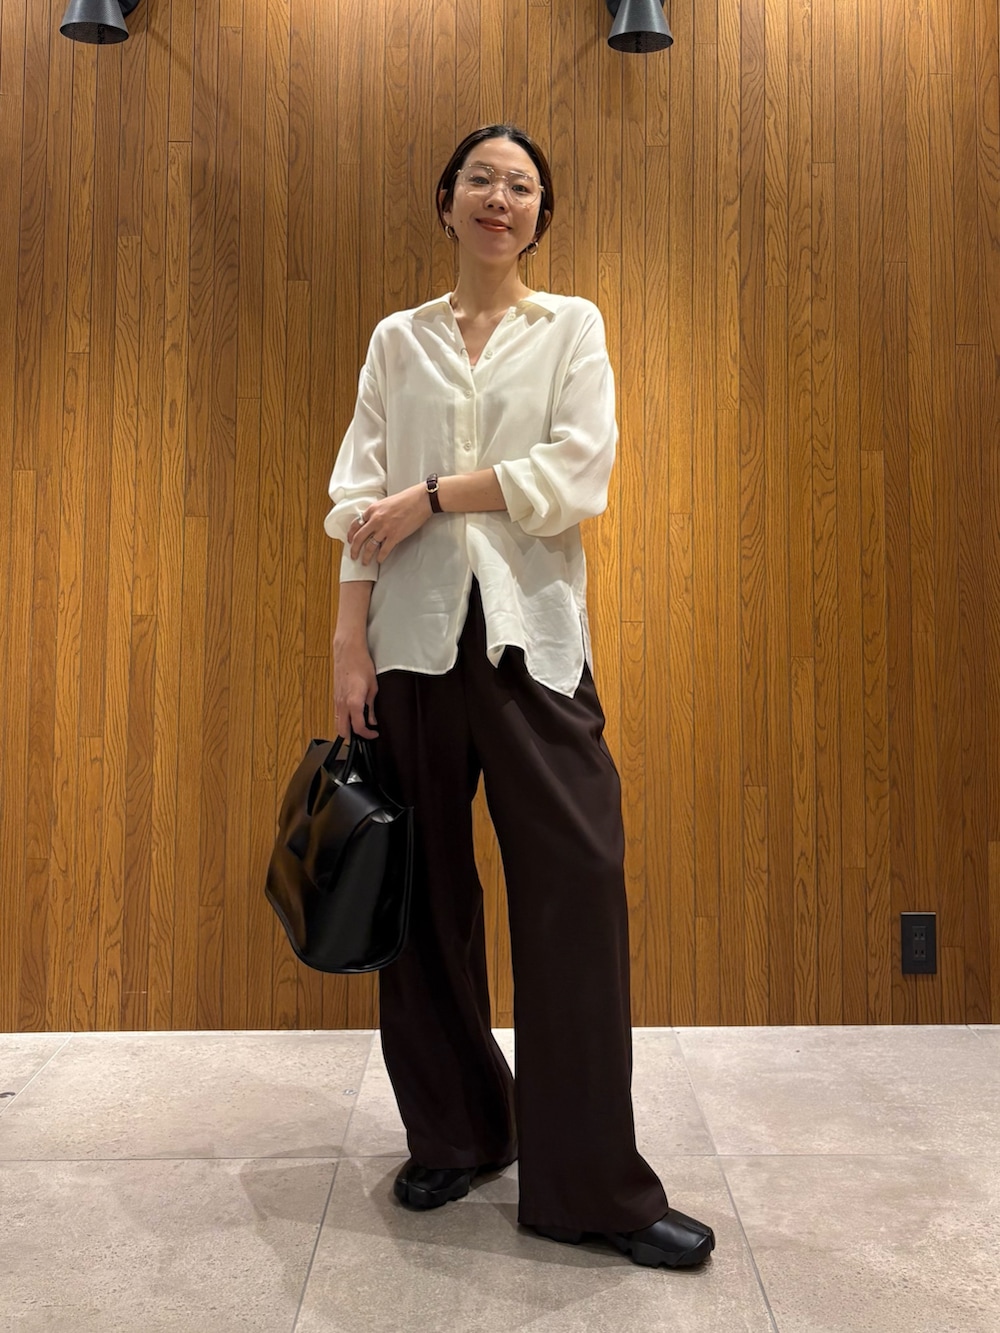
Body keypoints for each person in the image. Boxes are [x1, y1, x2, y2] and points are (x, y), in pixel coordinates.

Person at [324, 124, 715, 1270]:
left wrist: (438, 494)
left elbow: (576, 471)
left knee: (577, 890)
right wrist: (347, 644)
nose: (501, 198)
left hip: (531, 646)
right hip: (409, 647)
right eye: (482, 180)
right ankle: (457, 1131)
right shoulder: (396, 339)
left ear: (541, 216)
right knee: (423, 899)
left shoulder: (571, 326)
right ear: (446, 200)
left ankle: (592, 1185)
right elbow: (357, 498)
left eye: (523, 186)